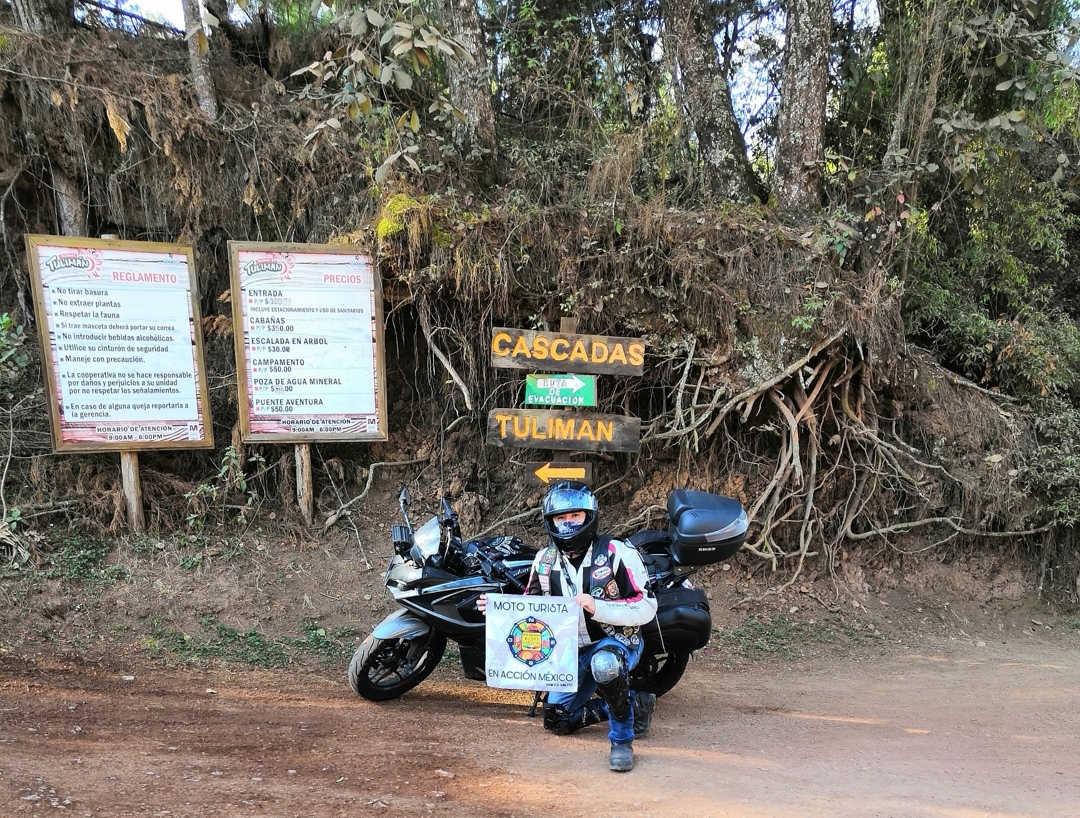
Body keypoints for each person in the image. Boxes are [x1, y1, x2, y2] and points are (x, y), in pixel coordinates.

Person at [480, 481, 658, 772]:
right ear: (550, 522)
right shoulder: (544, 560)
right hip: (569, 653)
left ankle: (621, 740)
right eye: (560, 518)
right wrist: (497, 609)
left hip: (616, 643)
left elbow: (647, 606)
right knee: (557, 719)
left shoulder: (616, 552)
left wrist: (599, 607)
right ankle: (633, 702)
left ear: (590, 516)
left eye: (575, 515)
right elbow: (530, 610)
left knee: (605, 664)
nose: (568, 523)